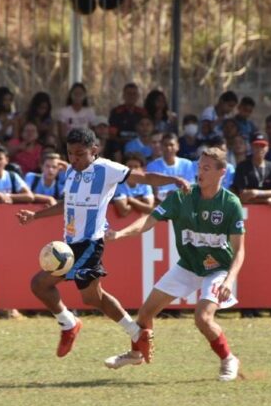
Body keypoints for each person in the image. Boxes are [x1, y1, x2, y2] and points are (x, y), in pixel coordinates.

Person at [16, 127, 190, 358]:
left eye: (80, 154)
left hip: (89, 244)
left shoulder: (107, 169)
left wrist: (174, 179)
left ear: (94, 150)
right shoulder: (71, 172)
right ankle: (126, 332)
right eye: (70, 153)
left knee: (47, 285)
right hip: (70, 244)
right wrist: (35, 216)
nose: (74, 159)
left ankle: (74, 325)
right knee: (83, 295)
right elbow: (66, 204)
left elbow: (144, 177)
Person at [103, 147, 245, 381]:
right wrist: (120, 234)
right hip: (188, 265)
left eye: (207, 168)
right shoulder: (181, 196)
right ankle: (136, 354)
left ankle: (229, 359)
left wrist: (229, 280)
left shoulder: (230, 204)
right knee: (145, 313)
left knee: (203, 318)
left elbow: (239, 251)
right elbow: (149, 220)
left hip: (217, 269)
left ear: (222, 172)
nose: (200, 173)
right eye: (199, 167)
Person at [233, 132, 271, 205]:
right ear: (251, 147)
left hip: (269, 209)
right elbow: (243, 196)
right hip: (248, 208)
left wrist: (256, 192)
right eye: (256, 146)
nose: (259, 149)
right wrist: (266, 199)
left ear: (267, 148)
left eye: (262, 146)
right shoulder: (242, 167)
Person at [145, 133, 194, 202]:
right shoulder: (152, 166)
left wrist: (177, 194)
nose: (168, 148)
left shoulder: (187, 164)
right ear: (161, 146)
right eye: (165, 145)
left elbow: (191, 187)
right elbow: (153, 191)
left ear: (177, 146)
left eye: (171, 145)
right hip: (161, 203)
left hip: (184, 202)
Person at [108, 82, 145, 159]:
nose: (131, 96)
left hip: (138, 145)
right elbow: (112, 135)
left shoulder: (142, 113)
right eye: (129, 94)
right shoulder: (116, 112)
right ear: (124, 95)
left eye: (134, 94)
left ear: (138, 96)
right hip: (120, 144)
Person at [112, 153, 155, 217]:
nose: (133, 169)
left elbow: (150, 209)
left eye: (136, 166)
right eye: (130, 166)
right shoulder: (119, 184)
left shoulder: (146, 185)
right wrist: (140, 200)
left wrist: (131, 200)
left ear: (142, 169)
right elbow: (123, 211)